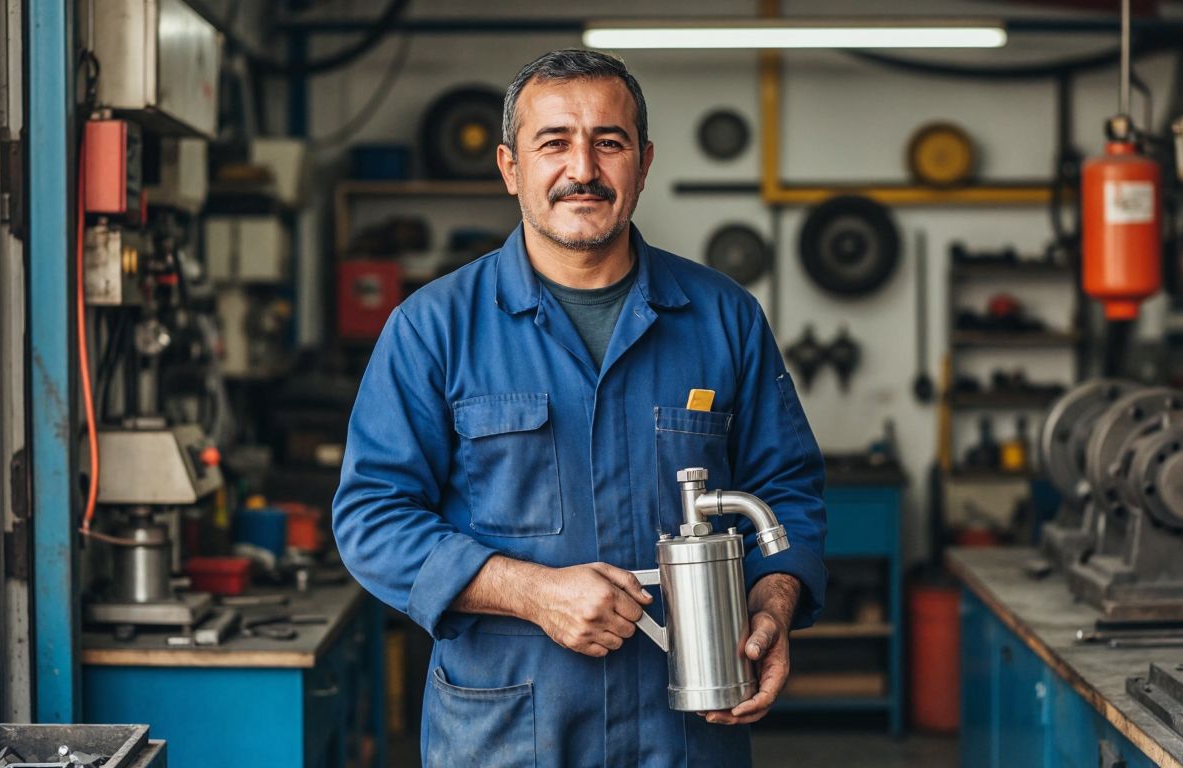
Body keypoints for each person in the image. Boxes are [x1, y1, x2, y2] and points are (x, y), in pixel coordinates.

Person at [333, 49, 827, 767]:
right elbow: (371, 518)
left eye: (610, 142)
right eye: (554, 142)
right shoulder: (432, 327)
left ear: (644, 162)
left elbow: (786, 491)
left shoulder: (725, 319)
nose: (583, 170)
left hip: (686, 733)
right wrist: (531, 592)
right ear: (509, 166)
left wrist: (774, 603)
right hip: (506, 735)